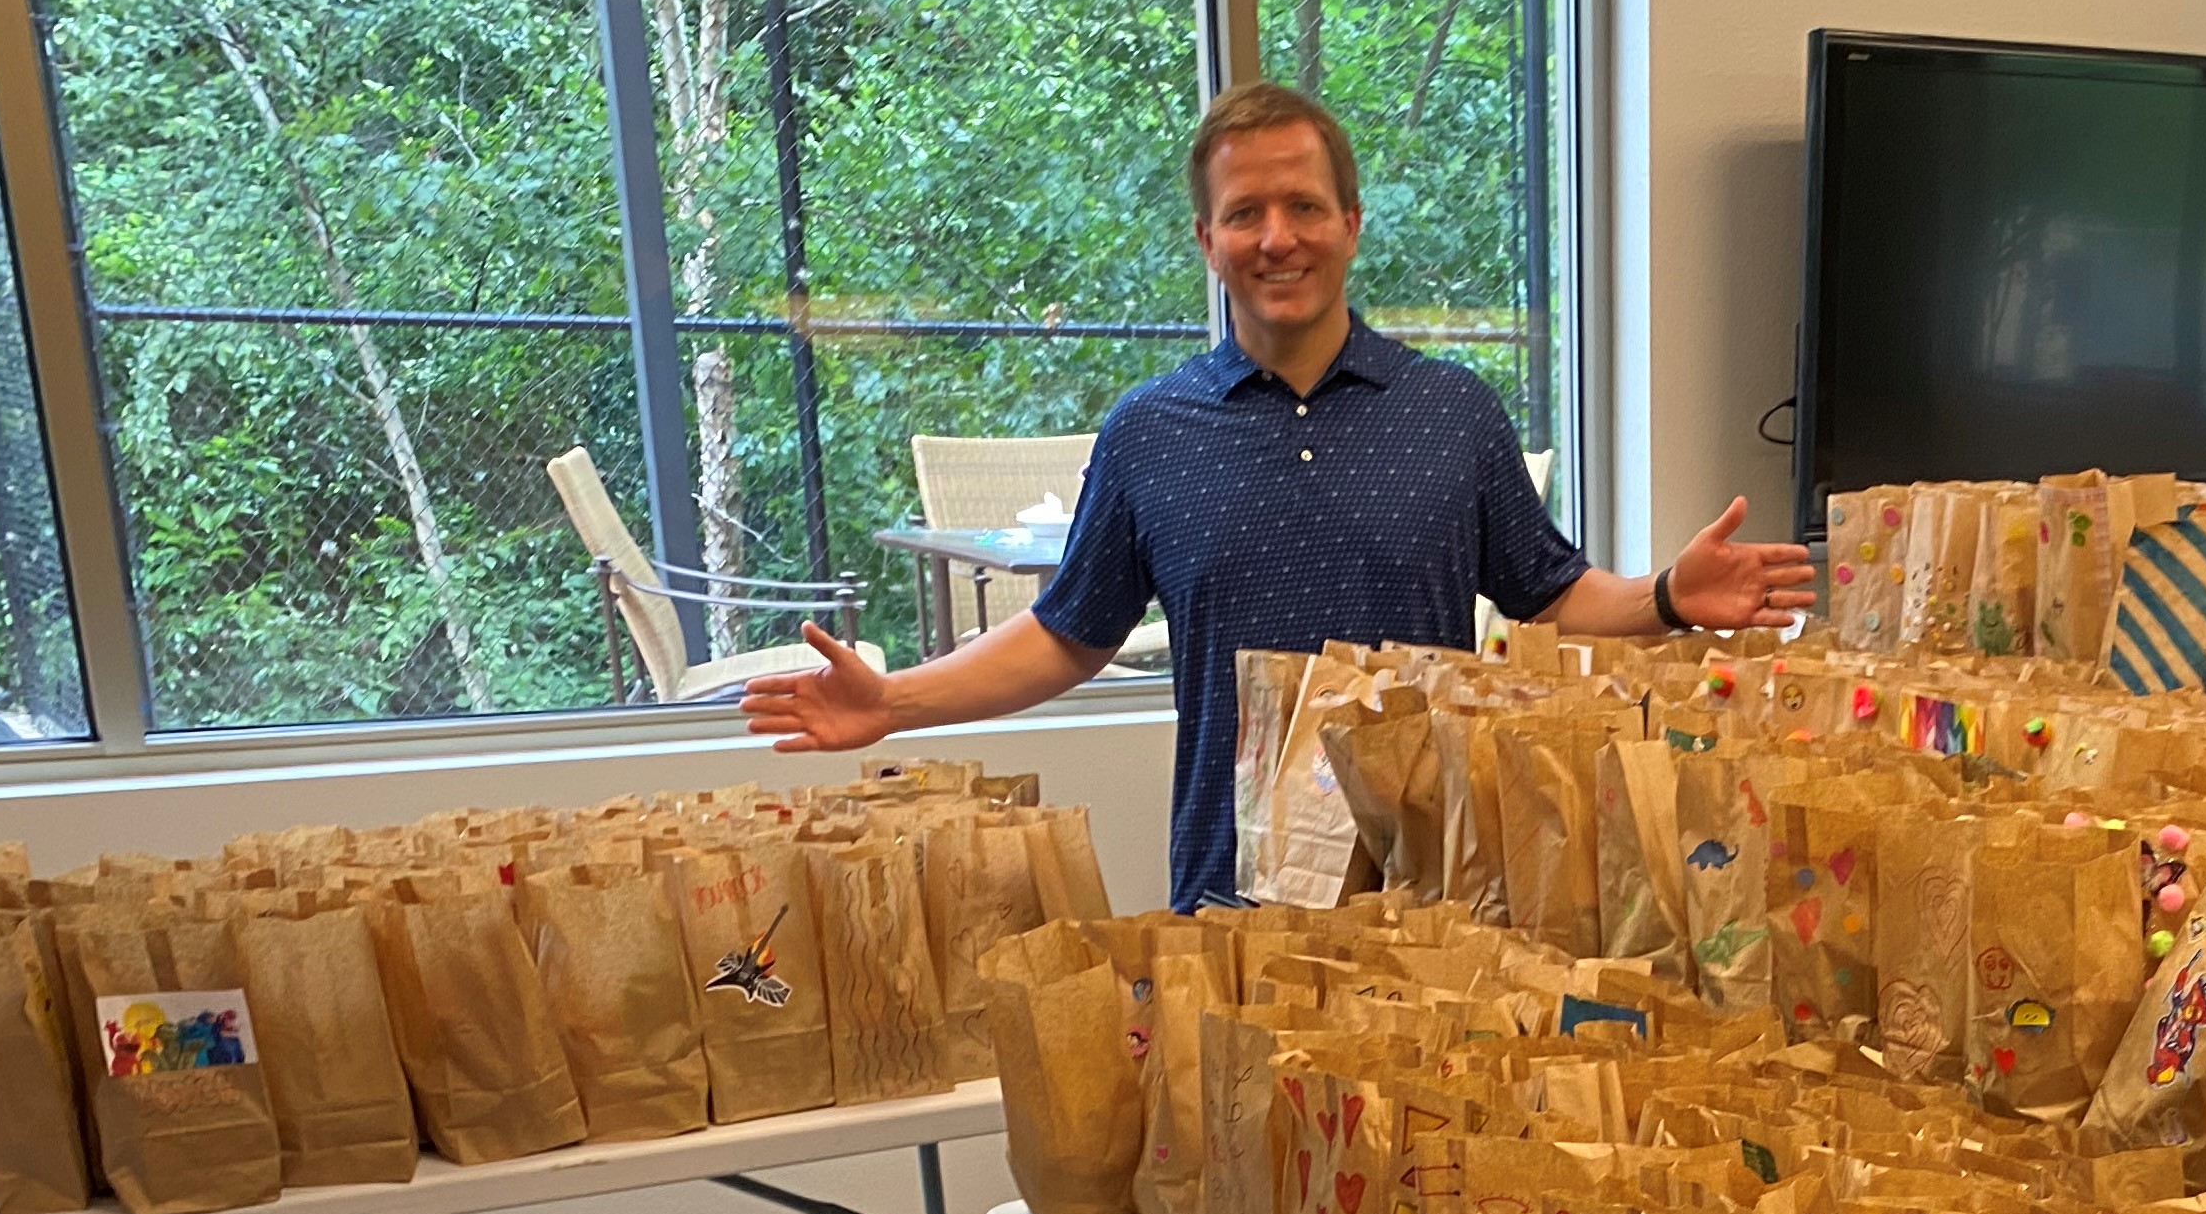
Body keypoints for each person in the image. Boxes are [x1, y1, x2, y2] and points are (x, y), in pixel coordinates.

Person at [744, 79, 1815, 909]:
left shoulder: (1452, 412)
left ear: (1351, 221)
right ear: (1207, 241)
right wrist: (896, 704)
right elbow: (1069, 635)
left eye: (1303, 204)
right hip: (1233, 882)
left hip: (1441, 882)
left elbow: (1552, 591)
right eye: (1244, 211)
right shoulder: (1149, 433)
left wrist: (1667, 596)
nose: (1276, 237)